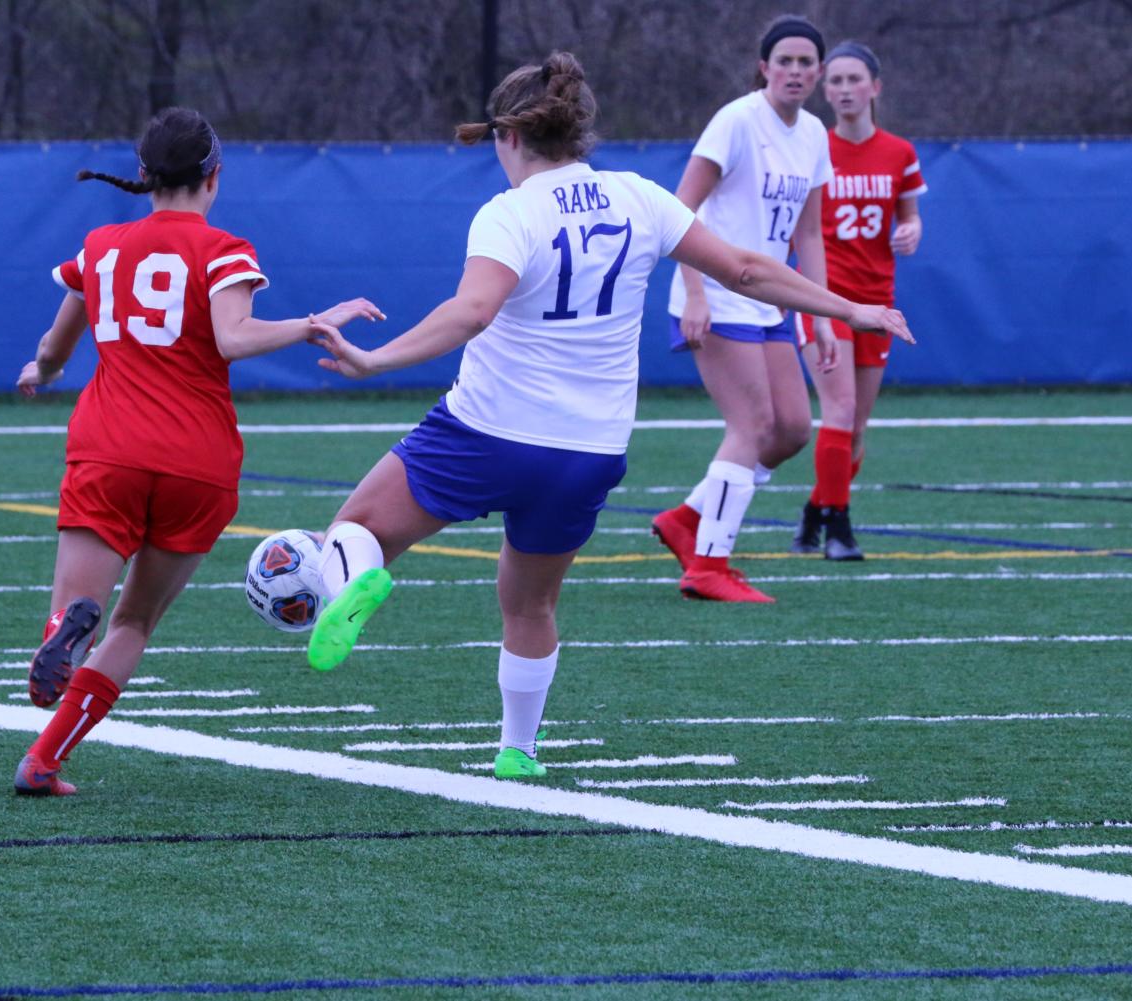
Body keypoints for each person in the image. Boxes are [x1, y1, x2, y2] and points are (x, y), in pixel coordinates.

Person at [302, 52, 911, 779]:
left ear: (509, 136)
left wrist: (374, 360)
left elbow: (471, 310)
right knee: (529, 605)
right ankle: (517, 750)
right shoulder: (638, 197)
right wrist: (851, 307)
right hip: (587, 451)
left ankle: (359, 580)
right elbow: (746, 269)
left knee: (356, 528)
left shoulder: (510, 211)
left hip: (488, 431)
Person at [11, 106, 382, 796]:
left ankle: (64, 630)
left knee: (78, 610)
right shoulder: (222, 249)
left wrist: (41, 372)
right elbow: (235, 338)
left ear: (143, 177)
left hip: (109, 448)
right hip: (198, 461)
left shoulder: (100, 246)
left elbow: (54, 347)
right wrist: (309, 324)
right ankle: (43, 760)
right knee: (135, 619)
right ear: (215, 177)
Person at [650, 14, 847, 603]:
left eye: (805, 62)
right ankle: (709, 565)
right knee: (752, 426)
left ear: (818, 72)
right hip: (715, 293)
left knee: (789, 431)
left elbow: (808, 236)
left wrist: (823, 316)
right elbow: (678, 212)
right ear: (764, 67)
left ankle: (688, 519)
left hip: (767, 299)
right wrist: (696, 293)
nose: (795, 70)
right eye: (783, 61)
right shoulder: (737, 121)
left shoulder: (813, 133)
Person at [792, 41, 926, 560]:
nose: (845, 90)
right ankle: (839, 531)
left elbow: (910, 214)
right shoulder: (812, 147)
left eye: (854, 80)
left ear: (875, 87)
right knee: (839, 409)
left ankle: (814, 509)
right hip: (823, 298)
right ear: (825, 90)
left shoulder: (899, 152)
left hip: (877, 302)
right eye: (836, 81)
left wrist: (912, 229)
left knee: (856, 428)